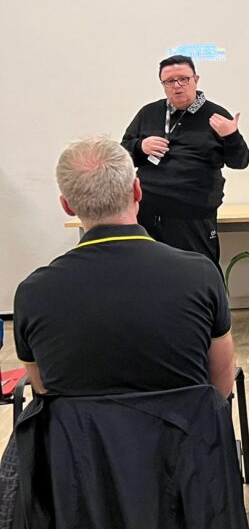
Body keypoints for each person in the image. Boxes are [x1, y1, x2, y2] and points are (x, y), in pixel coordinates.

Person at [14, 136, 236, 399]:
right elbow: (221, 388)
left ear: (67, 206)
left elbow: (43, 390)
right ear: (138, 191)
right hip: (184, 426)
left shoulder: (33, 292)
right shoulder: (200, 275)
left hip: (79, 427)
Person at [121, 55, 249, 268]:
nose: (177, 86)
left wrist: (232, 136)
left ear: (195, 79)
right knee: (147, 271)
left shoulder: (216, 115)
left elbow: (240, 162)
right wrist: (140, 146)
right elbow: (122, 156)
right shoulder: (148, 113)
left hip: (192, 214)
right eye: (169, 81)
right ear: (162, 84)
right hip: (146, 211)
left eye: (183, 79)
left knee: (198, 271)